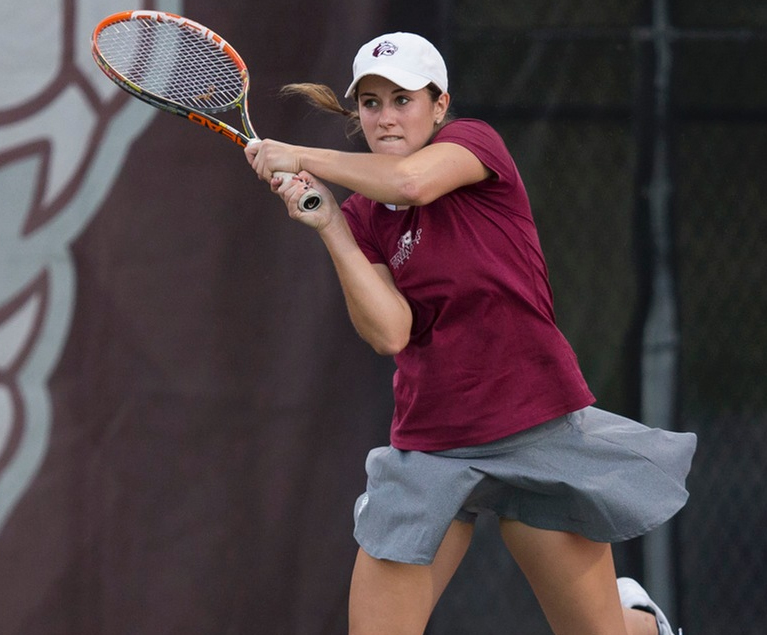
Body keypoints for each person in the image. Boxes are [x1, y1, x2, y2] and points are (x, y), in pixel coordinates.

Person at [245, 31, 695, 635]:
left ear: (439, 104)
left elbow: (409, 182)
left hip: (534, 424)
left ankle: (641, 621)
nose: (385, 116)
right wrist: (328, 223)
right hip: (432, 443)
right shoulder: (362, 215)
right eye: (371, 103)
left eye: (402, 99)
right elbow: (390, 333)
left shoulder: (474, 144)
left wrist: (299, 155)